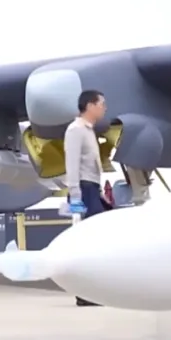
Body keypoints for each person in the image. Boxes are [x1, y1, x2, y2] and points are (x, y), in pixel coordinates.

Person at [64, 89, 107, 307]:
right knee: (86, 242)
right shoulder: (76, 130)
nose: (104, 108)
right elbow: (71, 165)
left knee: (95, 241)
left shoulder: (89, 131)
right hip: (82, 189)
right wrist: (75, 197)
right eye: (101, 104)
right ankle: (84, 293)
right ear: (90, 105)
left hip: (92, 188)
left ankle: (91, 290)